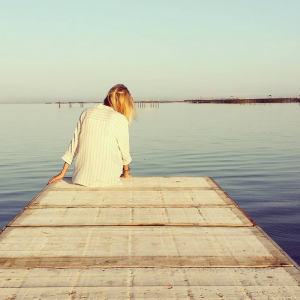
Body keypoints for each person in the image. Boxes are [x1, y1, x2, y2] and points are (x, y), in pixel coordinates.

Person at [48, 84, 136, 187]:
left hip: (81, 178)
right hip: (109, 179)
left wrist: (63, 173)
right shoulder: (119, 118)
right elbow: (124, 151)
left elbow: (74, 145)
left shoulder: (87, 113)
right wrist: (126, 172)